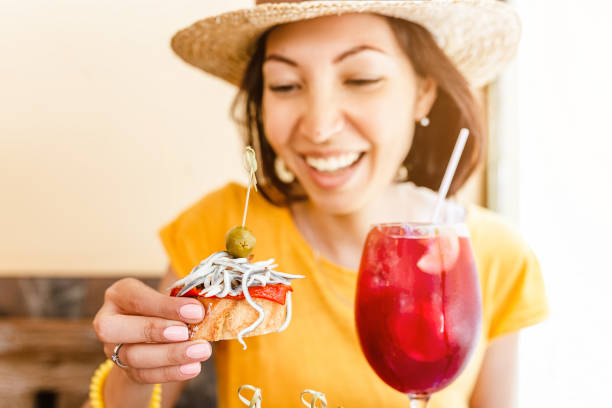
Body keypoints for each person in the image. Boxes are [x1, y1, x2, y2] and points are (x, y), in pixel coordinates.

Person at [87, 1, 548, 407]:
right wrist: (132, 374)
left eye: (361, 78)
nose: (321, 126)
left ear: (423, 92)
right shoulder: (219, 227)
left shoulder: (489, 255)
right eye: (286, 85)